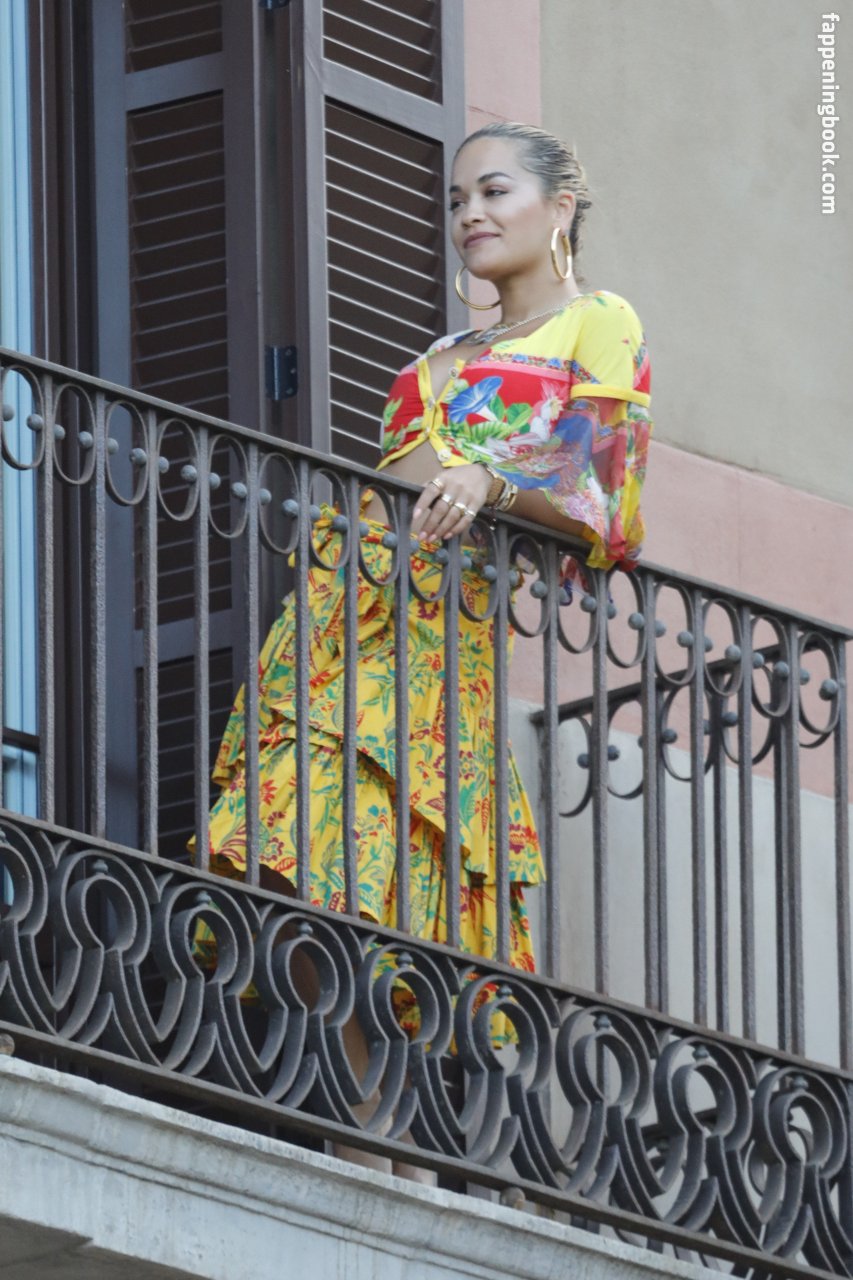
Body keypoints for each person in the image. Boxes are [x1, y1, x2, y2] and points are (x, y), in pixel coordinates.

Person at [192, 120, 652, 1045]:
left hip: (439, 639)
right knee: (287, 858)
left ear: (559, 207)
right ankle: (342, 1106)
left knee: (382, 874)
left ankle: (373, 1114)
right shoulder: (435, 356)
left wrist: (492, 483)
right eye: (455, 200)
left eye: (493, 192)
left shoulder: (599, 321)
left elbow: (603, 496)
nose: (468, 214)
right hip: (339, 613)